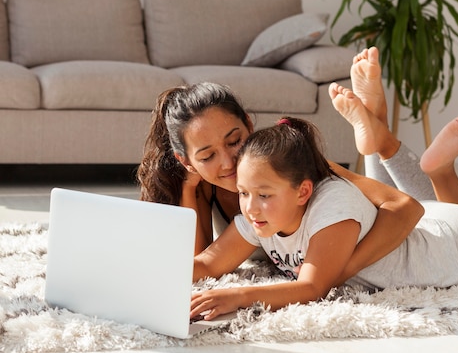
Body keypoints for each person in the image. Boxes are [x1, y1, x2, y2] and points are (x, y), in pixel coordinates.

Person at [190, 108, 458, 321]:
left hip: (454, 247)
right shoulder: (260, 214)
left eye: (262, 194)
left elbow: (311, 286)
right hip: (433, 224)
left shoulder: (332, 208)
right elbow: (208, 263)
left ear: (303, 191)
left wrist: (240, 294)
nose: (249, 206)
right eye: (244, 193)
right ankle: (439, 171)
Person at [136, 82, 423, 282]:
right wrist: (188, 185)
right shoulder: (201, 187)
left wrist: (343, 268)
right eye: (208, 155)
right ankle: (375, 128)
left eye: (235, 141)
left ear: (250, 124)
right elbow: (200, 265)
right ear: (187, 161)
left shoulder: (287, 166)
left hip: (423, 238)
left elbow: (404, 206)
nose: (228, 162)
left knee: (444, 205)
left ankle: (379, 138)